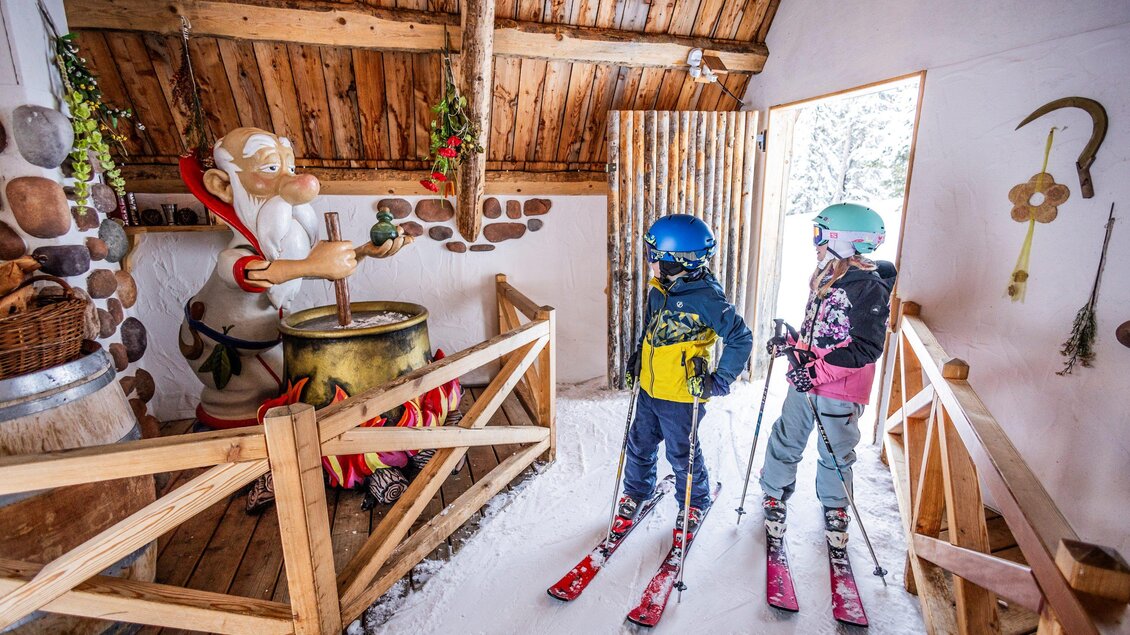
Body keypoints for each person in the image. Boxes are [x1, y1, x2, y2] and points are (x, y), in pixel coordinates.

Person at [759, 203, 896, 542]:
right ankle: (774, 492)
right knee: (786, 437)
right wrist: (791, 340)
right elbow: (820, 334)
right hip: (805, 383)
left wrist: (815, 372)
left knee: (835, 452)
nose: (815, 242)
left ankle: (836, 505)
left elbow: (866, 347)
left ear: (845, 240)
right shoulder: (826, 276)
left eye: (819, 234)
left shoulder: (868, 288)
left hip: (840, 392)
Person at [618, 214, 753, 539]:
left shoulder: (706, 298)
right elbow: (650, 329)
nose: (649, 261)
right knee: (639, 444)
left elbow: (741, 337)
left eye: (653, 255)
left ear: (673, 261)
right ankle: (637, 491)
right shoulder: (659, 288)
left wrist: (718, 381)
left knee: (682, 453)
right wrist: (638, 357)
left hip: (681, 394)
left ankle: (694, 501)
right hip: (651, 388)